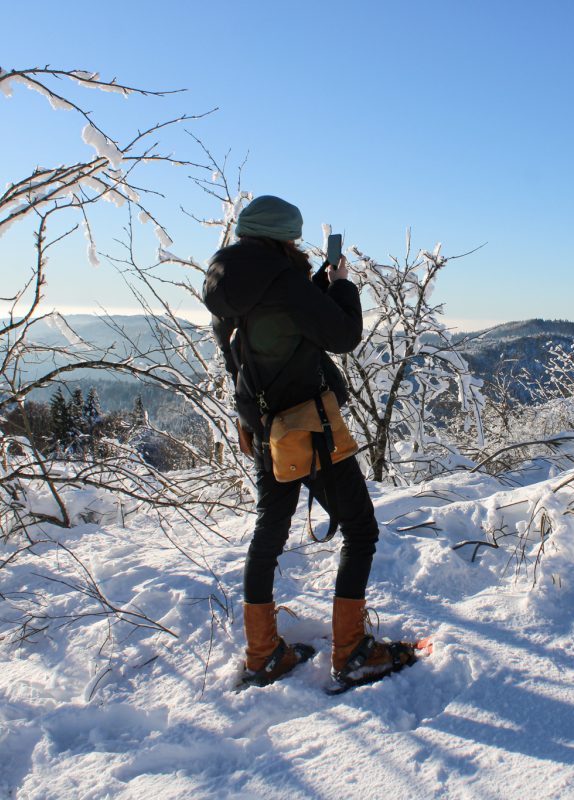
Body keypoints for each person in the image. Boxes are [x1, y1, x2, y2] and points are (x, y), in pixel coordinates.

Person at [201, 195, 418, 691]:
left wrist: (312, 291)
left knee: (269, 535)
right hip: (310, 429)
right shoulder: (286, 283)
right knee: (361, 530)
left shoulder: (228, 285)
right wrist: (340, 287)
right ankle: (352, 652)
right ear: (286, 237)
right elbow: (342, 334)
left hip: (263, 427)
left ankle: (262, 654)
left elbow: (271, 332)